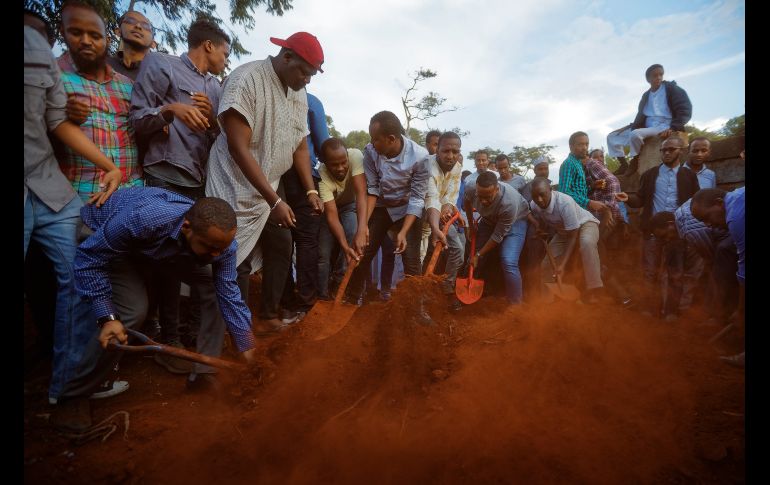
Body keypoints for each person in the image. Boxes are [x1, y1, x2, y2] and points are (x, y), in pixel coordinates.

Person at [50, 188, 258, 431]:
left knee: (215, 287)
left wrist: (246, 342)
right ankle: (75, 395)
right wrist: (107, 316)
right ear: (187, 227)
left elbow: (229, 294)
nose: (217, 254)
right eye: (210, 246)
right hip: (107, 241)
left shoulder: (221, 245)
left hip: (160, 249)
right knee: (131, 312)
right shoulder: (143, 218)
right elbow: (89, 260)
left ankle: (204, 373)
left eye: (221, 249)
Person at [25, 20, 123, 405]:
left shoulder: (47, 67)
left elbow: (56, 122)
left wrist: (109, 166)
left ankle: (67, 391)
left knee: (81, 276)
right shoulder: (59, 68)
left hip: (50, 187)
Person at [205, 31, 324, 332]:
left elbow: (299, 143)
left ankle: (268, 316)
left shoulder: (297, 92)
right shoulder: (246, 81)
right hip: (235, 181)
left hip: (270, 182)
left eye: (312, 75)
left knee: (282, 242)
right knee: (237, 254)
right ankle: (237, 329)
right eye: (305, 72)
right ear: (286, 57)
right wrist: (275, 200)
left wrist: (310, 187)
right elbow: (238, 148)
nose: (307, 80)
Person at [130, 18, 230, 372]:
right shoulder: (161, 64)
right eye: (224, 52)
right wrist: (171, 109)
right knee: (164, 260)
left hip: (197, 183)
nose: (225, 59)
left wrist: (212, 118)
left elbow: (222, 139)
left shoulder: (216, 89)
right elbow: (137, 120)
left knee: (189, 258)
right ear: (209, 46)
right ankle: (164, 338)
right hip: (162, 175)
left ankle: (181, 335)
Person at [343, 111, 431, 321]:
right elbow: (372, 189)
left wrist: (403, 231)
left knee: (411, 259)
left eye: (376, 139)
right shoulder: (371, 152)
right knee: (364, 250)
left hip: (407, 209)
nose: (371, 144)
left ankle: (415, 310)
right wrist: (362, 226)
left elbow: (418, 199)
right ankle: (352, 300)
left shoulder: (420, 157)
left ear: (391, 139)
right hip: (381, 206)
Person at [56, 2, 143, 198]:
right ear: (63, 32)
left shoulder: (127, 85)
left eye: (95, 36)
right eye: (76, 33)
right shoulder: (53, 77)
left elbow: (140, 127)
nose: (86, 41)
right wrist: (63, 115)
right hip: (82, 196)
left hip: (132, 193)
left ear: (107, 39)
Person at [625, 136, 700, 318]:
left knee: (675, 272)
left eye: (671, 149)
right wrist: (627, 198)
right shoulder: (650, 175)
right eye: (663, 150)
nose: (666, 153)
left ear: (680, 151)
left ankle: (671, 312)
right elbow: (640, 199)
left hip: (677, 231)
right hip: (653, 230)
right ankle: (650, 309)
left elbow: (694, 203)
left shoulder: (689, 176)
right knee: (650, 272)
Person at [280, 91, 330, 321]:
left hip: (272, 177)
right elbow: (323, 145)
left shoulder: (268, 94)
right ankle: (307, 301)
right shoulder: (312, 101)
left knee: (282, 240)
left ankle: (286, 302)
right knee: (307, 242)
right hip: (305, 179)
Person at [691, 187, 745, 368]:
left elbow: (744, 272)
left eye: (707, 218)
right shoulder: (738, 198)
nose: (708, 225)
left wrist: (741, 311)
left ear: (719, 204)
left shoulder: (736, 217)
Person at [607, 64, 692, 176]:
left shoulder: (672, 89)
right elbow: (641, 116)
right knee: (612, 136)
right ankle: (623, 165)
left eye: (660, 74)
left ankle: (635, 160)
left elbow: (684, 109)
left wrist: (673, 127)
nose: (658, 77)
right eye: (655, 75)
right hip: (646, 127)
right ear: (648, 79)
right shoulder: (646, 95)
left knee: (635, 134)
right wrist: (630, 126)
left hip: (664, 126)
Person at [529, 178, 604, 304]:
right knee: (546, 265)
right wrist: (539, 228)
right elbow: (542, 217)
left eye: (542, 195)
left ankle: (594, 290)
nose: (539, 200)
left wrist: (562, 264)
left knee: (586, 243)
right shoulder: (534, 204)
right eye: (535, 197)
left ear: (551, 190)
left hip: (585, 224)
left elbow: (573, 236)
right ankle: (547, 302)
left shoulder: (564, 203)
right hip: (563, 231)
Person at [463, 171, 529, 305]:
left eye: (488, 197)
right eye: (480, 196)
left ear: (497, 189)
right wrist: (471, 225)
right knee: (472, 256)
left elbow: (497, 235)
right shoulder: (470, 187)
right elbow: (467, 201)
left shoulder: (509, 203)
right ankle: (471, 291)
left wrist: (479, 254)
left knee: (508, 260)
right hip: (488, 220)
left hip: (515, 222)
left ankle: (515, 304)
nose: (483, 201)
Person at [316, 138, 367, 299]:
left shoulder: (356, 156)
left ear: (347, 156)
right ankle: (322, 296)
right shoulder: (321, 175)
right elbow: (331, 214)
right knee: (323, 254)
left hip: (350, 206)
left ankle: (338, 282)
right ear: (324, 163)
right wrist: (344, 247)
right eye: (334, 165)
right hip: (329, 210)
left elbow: (361, 194)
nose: (341, 168)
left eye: (343, 162)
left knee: (353, 232)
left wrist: (362, 229)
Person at [423, 132, 465, 310]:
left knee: (458, 250)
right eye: (446, 151)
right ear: (437, 150)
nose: (451, 156)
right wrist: (435, 225)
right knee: (419, 255)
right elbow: (431, 198)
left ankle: (446, 288)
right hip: (418, 212)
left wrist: (447, 207)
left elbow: (451, 195)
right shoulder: (428, 167)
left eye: (455, 151)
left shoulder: (457, 167)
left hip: (440, 215)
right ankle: (419, 298)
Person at [558, 132, 613, 225]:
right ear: (571, 146)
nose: (584, 148)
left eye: (586, 144)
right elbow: (564, 193)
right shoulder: (568, 163)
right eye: (580, 144)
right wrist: (588, 202)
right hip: (574, 215)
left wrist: (593, 186)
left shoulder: (578, 163)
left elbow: (577, 190)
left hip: (582, 211)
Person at [107, 10, 156, 81]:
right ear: (118, 31)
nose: (138, 26)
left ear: (153, 43)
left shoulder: (160, 77)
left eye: (145, 26)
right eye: (130, 21)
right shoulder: (101, 65)